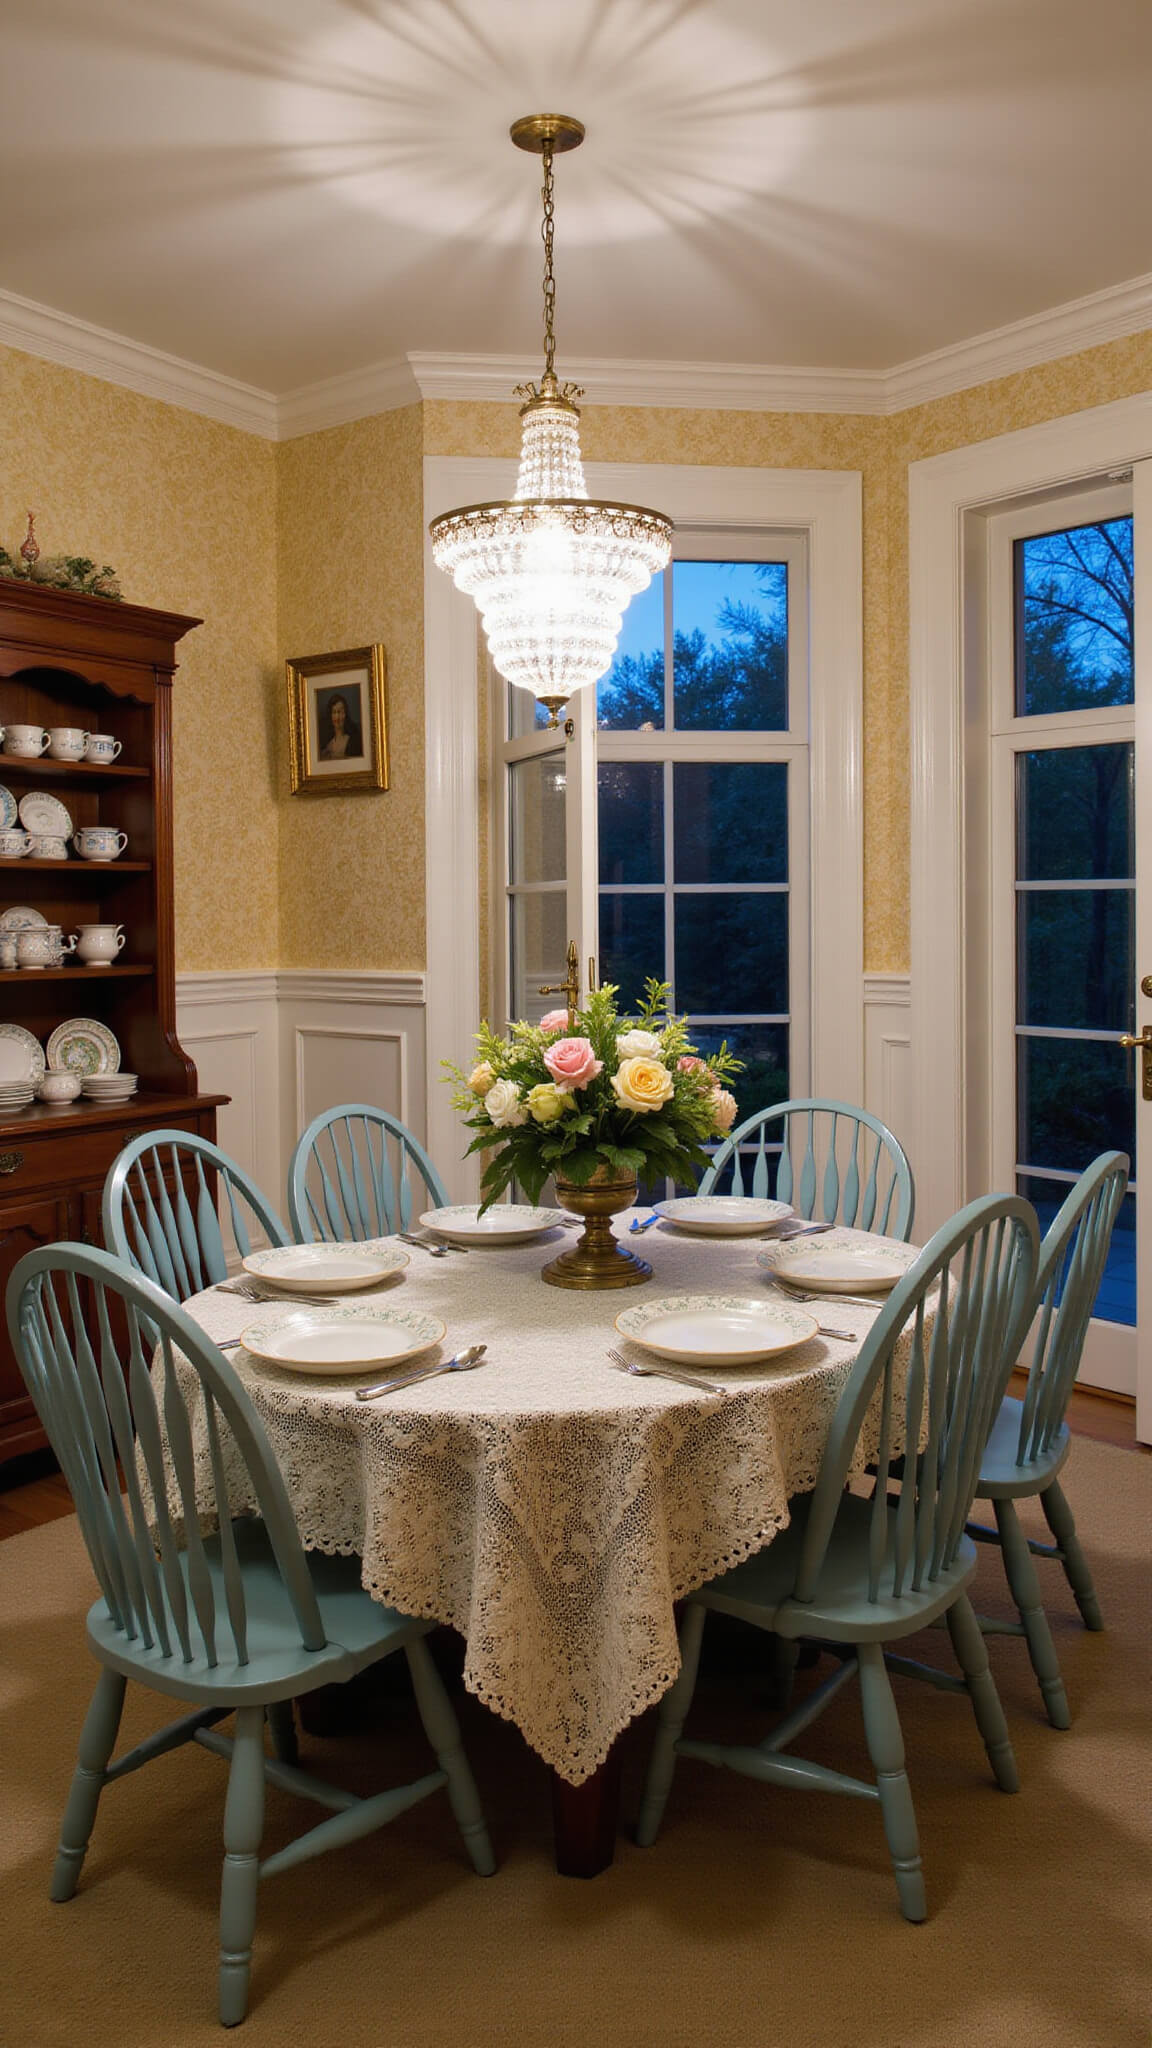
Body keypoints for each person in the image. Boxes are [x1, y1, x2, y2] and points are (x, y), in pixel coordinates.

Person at [318, 691, 363, 760]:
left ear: (345, 714)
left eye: (340, 712)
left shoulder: (352, 741)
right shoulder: (328, 745)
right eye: (334, 712)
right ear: (330, 716)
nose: (337, 717)